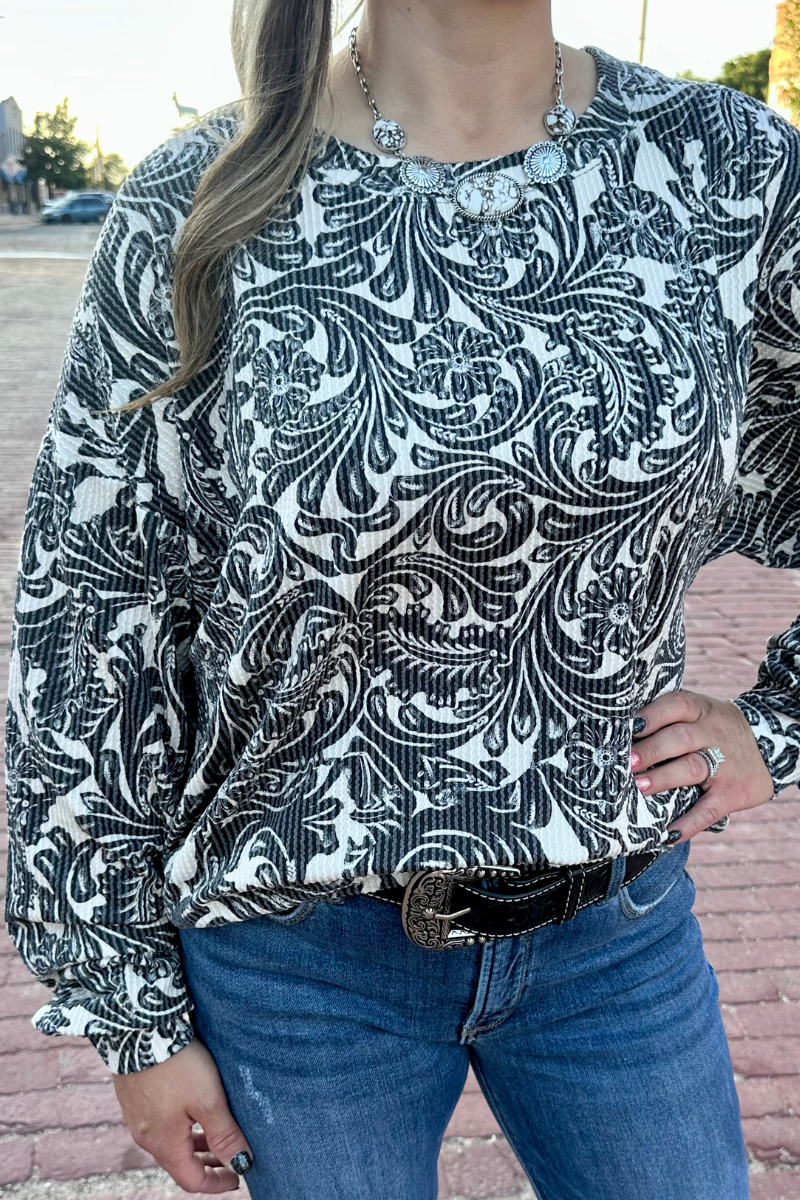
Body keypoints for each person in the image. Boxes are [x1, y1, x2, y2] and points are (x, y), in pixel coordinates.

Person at [5, 0, 800, 1196]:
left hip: (614, 934)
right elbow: (91, 611)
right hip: (295, 962)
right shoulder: (202, 196)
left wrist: (773, 727)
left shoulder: (726, 169)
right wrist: (132, 1013)